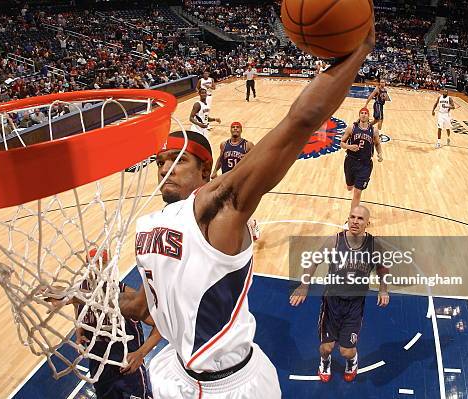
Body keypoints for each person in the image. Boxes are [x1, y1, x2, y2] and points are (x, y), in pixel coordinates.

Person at [115, 18, 375, 399]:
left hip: (234, 386)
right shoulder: (147, 227)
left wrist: (359, 50)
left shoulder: (214, 207)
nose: (166, 168)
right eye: (161, 160)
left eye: (179, 160)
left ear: (206, 169)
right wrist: (88, 293)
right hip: (175, 375)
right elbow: (141, 307)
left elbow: (298, 123)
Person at [289, 206, 390, 383]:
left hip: (355, 305)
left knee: (346, 351)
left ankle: (352, 361)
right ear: (348, 219)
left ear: (368, 223)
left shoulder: (374, 245)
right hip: (332, 302)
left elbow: (383, 267)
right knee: (326, 348)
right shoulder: (335, 241)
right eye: (352, 217)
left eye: (360, 218)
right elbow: (313, 261)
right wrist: (304, 286)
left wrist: (383, 289)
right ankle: (324, 361)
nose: (355, 221)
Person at [72, 249, 161, 399]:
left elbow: (160, 326)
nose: (94, 270)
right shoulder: (81, 295)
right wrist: (79, 334)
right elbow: (79, 317)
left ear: (108, 268)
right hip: (99, 368)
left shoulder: (127, 298)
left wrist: (141, 353)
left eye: (99, 266)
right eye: (91, 266)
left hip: (126, 368)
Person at [211, 122, 260, 241]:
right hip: (226, 179)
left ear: (241, 130)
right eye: (233, 127)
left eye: (237, 127)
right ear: (230, 130)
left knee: (241, 205)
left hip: (241, 180)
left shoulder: (247, 145)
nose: (235, 129)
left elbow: (255, 159)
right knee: (224, 204)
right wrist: (214, 171)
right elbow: (221, 158)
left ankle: (253, 224)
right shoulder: (224, 144)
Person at [340, 108, 383, 219]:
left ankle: (351, 218)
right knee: (350, 187)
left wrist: (380, 153)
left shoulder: (373, 131)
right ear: (359, 115)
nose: (364, 115)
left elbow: (377, 144)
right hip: (351, 161)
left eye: (366, 113)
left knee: (358, 192)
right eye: (362, 113)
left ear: (369, 116)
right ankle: (353, 183)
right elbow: (341, 143)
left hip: (365, 165)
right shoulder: (352, 128)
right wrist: (349, 147)